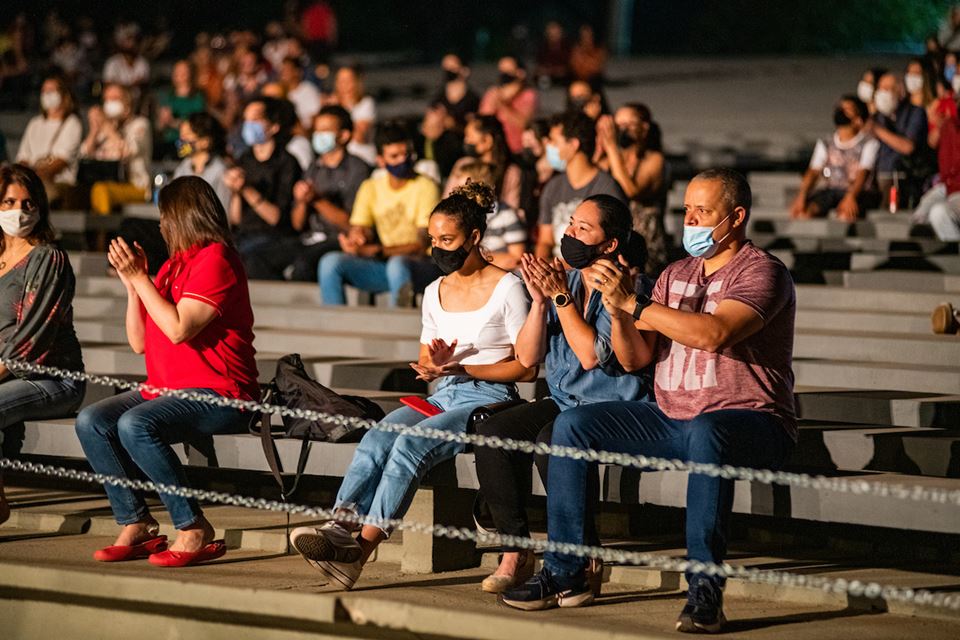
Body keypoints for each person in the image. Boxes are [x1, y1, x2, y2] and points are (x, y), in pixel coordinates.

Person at [502, 169, 797, 636]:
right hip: (670, 416)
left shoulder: (763, 271)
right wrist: (618, 310)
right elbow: (635, 355)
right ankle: (565, 569)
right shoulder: (677, 274)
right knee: (572, 426)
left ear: (737, 217)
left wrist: (633, 304)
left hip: (749, 421)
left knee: (708, 431)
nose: (692, 219)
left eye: (705, 211)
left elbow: (714, 333)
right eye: (688, 210)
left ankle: (704, 591)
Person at [289, 181, 536, 589]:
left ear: (474, 237)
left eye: (447, 239)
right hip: (443, 393)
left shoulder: (508, 288)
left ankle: (359, 553)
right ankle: (340, 525)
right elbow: (426, 360)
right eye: (433, 239)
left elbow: (526, 369)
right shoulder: (434, 289)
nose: (438, 247)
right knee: (377, 438)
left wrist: (465, 369)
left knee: (409, 444)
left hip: (489, 399)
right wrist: (433, 366)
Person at [76, 176, 258, 566]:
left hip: (220, 393)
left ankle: (192, 526)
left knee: (135, 425)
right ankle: (136, 522)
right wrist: (131, 284)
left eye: (164, 217)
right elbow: (139, 341)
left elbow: (179, 328)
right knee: (92, 420)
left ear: (182, 217)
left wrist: (142, 279)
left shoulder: (217, 260)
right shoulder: (174, 265)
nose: (161, 226)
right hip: (166, 390)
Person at [474, 195, 651, 594]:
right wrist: (539, 303)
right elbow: (529, 356)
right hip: (564, 400)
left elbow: (592, 355)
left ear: (609, 245)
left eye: (583, 228)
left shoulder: (625, 287)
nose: (570, 233)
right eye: (571, 223)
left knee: (552, 441)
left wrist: (560, 299)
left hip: (612, 407)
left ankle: (582, 554)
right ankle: (516, 551)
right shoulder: (564, 281)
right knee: (493, 432)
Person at [0, 165, 85, 527]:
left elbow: (30, 341)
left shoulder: (47, 259)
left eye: (27, 202)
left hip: (51, 377)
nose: (19, 210)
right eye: (8, 201)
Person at [318, 123, 440, 305]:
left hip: (421, 265)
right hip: (385, 262)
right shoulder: (371, 187)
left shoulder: (426, 186)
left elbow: (421, 244)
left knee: (397, 265)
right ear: (381, 161)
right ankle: (335, 326)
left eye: (406, 154)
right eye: (394, 156)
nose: (402, 160)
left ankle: (396, 327)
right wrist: (357, 238)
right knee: (330, 263)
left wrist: (376, 251)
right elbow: (362, 226)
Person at [247, 105, 370, 281]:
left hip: (338, 240)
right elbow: (297, 224)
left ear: (343, 135)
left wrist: (317, 200)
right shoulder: (314, 168)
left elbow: (353, 224)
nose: (319, 135)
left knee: (304, 265)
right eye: (316, 130)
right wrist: (302, 202)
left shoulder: (357, 170)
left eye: (325, 130)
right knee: (256, 259)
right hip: (308, 238)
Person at [224, 96, 301, 278]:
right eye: (246, 120)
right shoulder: (244, 159)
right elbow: (236, 219)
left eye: (255, 120)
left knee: (246, 259)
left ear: (274, 126)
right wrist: (235, 192)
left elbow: (276, 218)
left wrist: (246, 190)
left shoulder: (287, 162)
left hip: (274, 237)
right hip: (243, 235)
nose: (248, 125)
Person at [535, 112, 627, 259]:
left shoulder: (607, 187)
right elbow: (545, 241)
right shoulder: (553, 186)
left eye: (553, 140)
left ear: (573, 145)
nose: (548, 145)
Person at [596, 103, 669, 274]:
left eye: (629, 124)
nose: (622, 130)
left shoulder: (655, 159)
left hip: (647, 243)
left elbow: (631, 191)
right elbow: (591, 176)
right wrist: (600, 145)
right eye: (618, 125)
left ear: (644, 128)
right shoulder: (612, 159)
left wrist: (612, 148)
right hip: (616, 240)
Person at [790, 95, 880, 222]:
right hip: (832, 191)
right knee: (804, 212)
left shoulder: (869, 143)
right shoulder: (826, 143)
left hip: (861, 193)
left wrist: (851, 196)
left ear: (858, 119)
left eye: (848, 109)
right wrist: (802, 195)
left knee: (846, 215)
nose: (841, 110)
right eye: (841, 107)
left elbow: (863, 172)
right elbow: (814, 171)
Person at [80, 84, 152, 215]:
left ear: (127, 102)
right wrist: (94, 130)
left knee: (100, 189)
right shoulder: (103, 129)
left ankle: (102, 234)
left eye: (115, 98)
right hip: (106, 181)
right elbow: (84, 154)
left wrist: (107, 127)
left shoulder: (141, 124)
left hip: (136, 186)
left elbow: (127, 151)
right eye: (107, 99)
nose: (110, 103)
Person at [15, 75, 83, 206]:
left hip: (58, 181)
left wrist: (35, 177)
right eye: (44, 91)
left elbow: (62, 161)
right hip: (31, 178)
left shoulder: (72, 123)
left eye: (52, 91)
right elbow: (23, 156)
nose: (47, 95)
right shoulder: (35, 123)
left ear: (63, 94)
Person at [446, 161, 525, 270]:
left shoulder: (506, 215)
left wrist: (476, 260)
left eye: (463, 189)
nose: (456, 193)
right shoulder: (455, 217)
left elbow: (516, 258)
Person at [867, 72, 929, 208]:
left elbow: (908, 147)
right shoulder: (877, 117)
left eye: (888, 88)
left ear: (900, 91)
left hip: (905, 177)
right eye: (880, 88)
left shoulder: (916, 113)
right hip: (878, 176)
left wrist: (877, 129)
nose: (883, 93)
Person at [446, 115, 522, 212]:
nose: (466, 141)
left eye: (469, 136)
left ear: (487, 140)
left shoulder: (510, 172)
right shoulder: (463, 164)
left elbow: (511, 210)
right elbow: (447, 201)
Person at [479, 56, 539, 155]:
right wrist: (494, 100)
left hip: (518, 151)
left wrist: (501, 104)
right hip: (496, 150)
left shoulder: (528, 95)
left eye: (508, 70)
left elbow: (523, 123)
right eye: (502, 70)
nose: (504, 74)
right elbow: (483, 121)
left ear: (520, 73)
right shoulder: (493, 93)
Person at [155, 60, 206, 160]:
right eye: (177, 71)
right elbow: (159, 128)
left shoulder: (197, 97)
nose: (180, 75)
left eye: (184, 72)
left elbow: (198, 124)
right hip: (169, 142)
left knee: (182, 152)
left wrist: (172, 122)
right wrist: (163, 121)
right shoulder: (168, 97)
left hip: (189, 143)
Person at [328, 65, 377, 165]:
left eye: (348, 80)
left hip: (362, 158)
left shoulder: (366, 103)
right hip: (337, 161)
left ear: (357, 82)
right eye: (340, 80)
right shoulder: (330, 104)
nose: (344, 85)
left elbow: (360, 137)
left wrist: (340, 109)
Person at [432, 53, 480, 131]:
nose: (448, 71)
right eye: (446, 68)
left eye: (452, 67)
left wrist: (455, 124)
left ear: (465, 70)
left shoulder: (473, 100)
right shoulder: (438, 99)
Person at [280, 56, 322, 130]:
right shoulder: (279, 90)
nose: (283, 73)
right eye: (282, 70)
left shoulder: (308, 89)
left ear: (297, 71)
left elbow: (314, 116)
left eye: (287, 70)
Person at [535, 21, 571, 87]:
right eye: (551, 34)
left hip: (563, 77)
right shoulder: (542, 47)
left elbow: (568, 67)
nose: (554, 36)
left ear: (561, 34)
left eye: (556, 34)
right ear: (547, 34)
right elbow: (539, 66)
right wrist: (548, 70)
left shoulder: (567, 47)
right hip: (547, 75)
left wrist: (558, 70)